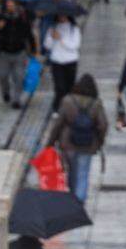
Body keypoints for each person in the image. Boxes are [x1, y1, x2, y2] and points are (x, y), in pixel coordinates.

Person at [45, 74, 107, 203]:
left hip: (68, 142)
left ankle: (73, 199)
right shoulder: (96, 103)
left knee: (72, 172)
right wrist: (100, 140)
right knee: (83, 174)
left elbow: (58, 123)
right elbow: (104, 124)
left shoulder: (67, 100)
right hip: (88, 143)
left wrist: (50, 142)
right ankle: (79, 203)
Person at [0, 0, 37, 109]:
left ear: (16, 6)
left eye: (11, 6)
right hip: (4, 53)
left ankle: (16, 99)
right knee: (2, 75)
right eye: (7, 6)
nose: (9, 8)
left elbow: (29, 33)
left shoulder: (23, 17)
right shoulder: (2, 16)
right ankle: (6, 92)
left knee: (19, 77)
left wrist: (34, 50)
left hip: (19, 52)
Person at [43, 14, 81, 114]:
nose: (61, 17)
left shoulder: (74, 29)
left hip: (71, 62)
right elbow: (47, 45)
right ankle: (57, 108)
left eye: (64, 15)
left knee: (70, 87)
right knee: (60, 87)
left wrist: (60, 37)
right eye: (60, 15)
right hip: (57, 62)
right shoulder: (53, 27)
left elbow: (74, 45)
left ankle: (69, 109)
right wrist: (51, 37)